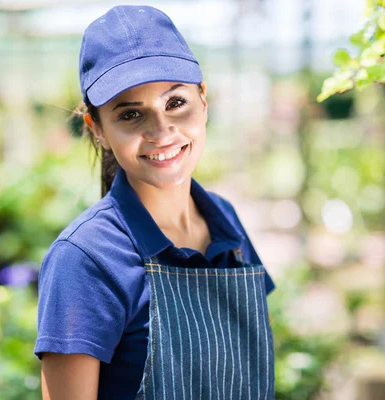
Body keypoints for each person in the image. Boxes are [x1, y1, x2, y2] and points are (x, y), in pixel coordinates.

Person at [34, 5, 276, 400]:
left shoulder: (226, 223)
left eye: (175, 103)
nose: (161, 132)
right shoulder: (85, 258)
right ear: (97, 130)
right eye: (131, 114)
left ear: (203, 100)